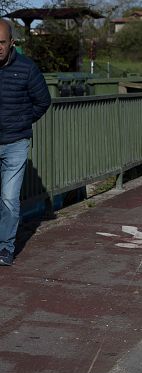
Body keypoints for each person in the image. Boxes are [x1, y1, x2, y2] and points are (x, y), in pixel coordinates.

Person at [0, 19, 51, 266]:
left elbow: (43, 101)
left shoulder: (27, 69)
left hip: (15, 143)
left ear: (12, 42)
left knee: (9, 199)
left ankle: (5, 248)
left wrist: (22, 122)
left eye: (1, 42)